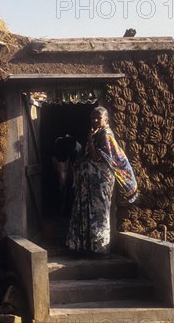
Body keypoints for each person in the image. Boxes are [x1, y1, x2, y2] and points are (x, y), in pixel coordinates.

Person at [66, 106, 138, 256]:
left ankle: (100, 249)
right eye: (93, 117)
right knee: (87, 211)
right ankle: (88, 247)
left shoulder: (105, 134)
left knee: (99, 214)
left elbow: (97, 158)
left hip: (100, 182)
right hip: (90, 182)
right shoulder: (96, 132)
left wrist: (90, 140)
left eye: (98, 117)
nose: (95, 120)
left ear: (106, 119)